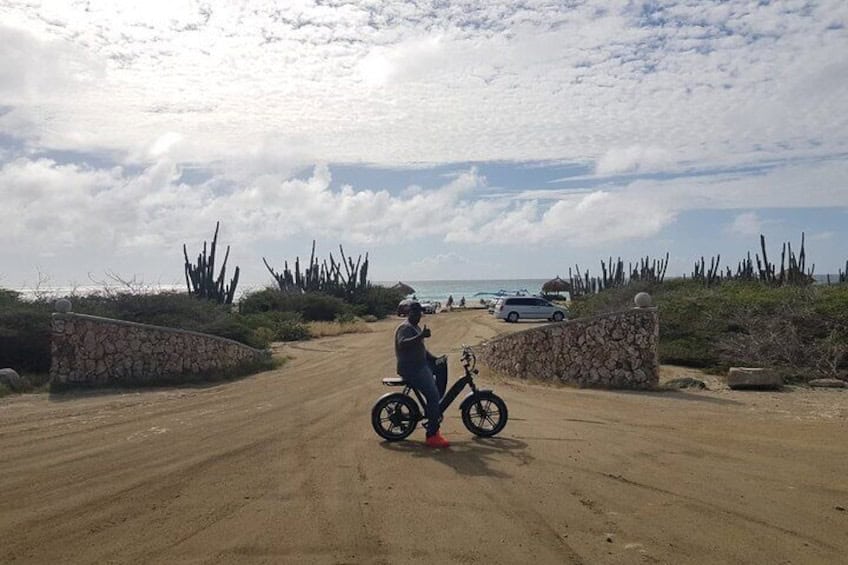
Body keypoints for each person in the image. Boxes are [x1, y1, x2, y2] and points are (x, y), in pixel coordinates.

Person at [394, 302, 450, 448]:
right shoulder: (405, 327)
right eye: (414, 313)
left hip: (420, 365)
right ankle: (432, 434)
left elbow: (421, 350)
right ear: (409, 313)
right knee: (432, 396)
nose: (418, 316)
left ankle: (435, 407)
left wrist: (435, 359)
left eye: (419, 313)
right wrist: (421, 336)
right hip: (412, 369)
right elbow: (402, 343)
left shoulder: (415, 327)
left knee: (441, 367)